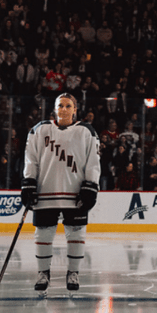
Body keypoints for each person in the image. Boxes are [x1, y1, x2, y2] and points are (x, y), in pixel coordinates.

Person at [21, 93, 100, 294]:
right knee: (44, 233)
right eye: (60, 105)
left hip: (75, 192)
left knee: (76, 233)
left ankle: (73, 272)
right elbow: (31, 159)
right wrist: (29, 181)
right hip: (45, 190)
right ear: (54, 108)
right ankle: (43, 273)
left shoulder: (86, 131)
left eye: (68, 106)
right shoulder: (39, 130)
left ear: (75, 109)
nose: (63, 109)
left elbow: (93, 162)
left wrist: (91, 185)